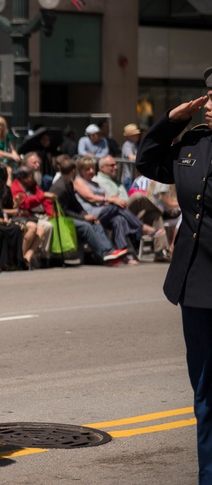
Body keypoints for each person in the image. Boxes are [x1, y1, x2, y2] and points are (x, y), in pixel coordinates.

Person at [135, 69, 212, 483]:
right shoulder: (195, 143)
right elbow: (146, 160)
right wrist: (172, 120)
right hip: (195, 283)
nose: (211, 103)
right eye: (210, 96)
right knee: (204, 394)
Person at [50, 154, 127, 265]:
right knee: (85, 226)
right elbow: (64, 211)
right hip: (61, 218)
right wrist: (83, 217)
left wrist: (87, 215)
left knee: (95, 222)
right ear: (73, 170)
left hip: (70, 216)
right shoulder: (60, 187)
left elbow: (76, 205)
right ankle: (103, 255)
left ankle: (110, 251)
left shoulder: (68, 183)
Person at [72, 155, 146, 264]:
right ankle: (142, 227)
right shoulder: (79, 181)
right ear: (81, 171)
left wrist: (110, 200)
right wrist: (112, 200)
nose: (91, 171)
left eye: (93, 168)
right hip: (90, 213)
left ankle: (122, 254)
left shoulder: (96, 183)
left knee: (118, 220)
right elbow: (90, 197)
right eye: (87, 169)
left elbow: (106, 198)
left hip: (102, 211)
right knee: (116, 206)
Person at [121, 123, 143, 191]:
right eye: (135, 135)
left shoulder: (136, 145)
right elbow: (131, 157)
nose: (137, 136)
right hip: (128, 178)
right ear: (129, 136)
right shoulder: (127, 145)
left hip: (134, 177)